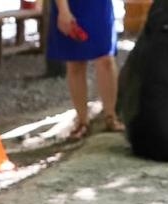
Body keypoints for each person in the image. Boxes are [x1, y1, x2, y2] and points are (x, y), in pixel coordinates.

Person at [51, 0, 121, 140]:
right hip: (70, 6)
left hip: (99, 5)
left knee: (106, 58)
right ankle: (82, 121)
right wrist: (63, 10)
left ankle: (111, 117)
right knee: (75, 62)